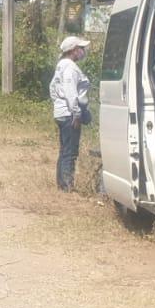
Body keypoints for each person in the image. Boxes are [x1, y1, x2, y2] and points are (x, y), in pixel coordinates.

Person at [50, 35, 92, 191]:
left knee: (64, 150)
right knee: (71, 151)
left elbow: (52, 89)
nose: (83, 51)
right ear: (74, 50)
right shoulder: (70, 68)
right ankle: (67, 185)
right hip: (69, 115)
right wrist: (75, 113)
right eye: (81, 48)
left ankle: (62, 184)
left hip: (62, 112)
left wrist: (58, 104)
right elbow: (70, 92)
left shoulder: (61, 65)